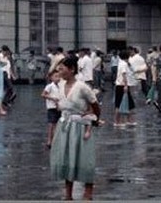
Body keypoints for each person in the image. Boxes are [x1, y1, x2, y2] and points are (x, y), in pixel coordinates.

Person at [50, 55, 101, 201]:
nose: (59, 70)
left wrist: (92, 118)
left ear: (72, 69)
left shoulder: (82, 87)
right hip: (64, 126)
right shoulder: (60, 84)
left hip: (80, 127)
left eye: (62, 67)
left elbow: (95, 106)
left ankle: (88, 191)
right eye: (59, 67)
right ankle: (68, 194)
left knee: (84, 158)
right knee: (66, 158)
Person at [113, 49, 135, 127]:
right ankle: (117, 121)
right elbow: (124, 75)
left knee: (128, 103)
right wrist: (126, 85)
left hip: (120, 85)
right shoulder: (124, 64)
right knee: (119, 104)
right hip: (122, 85)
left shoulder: (121, 63)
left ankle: (128, 120)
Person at [42, 70, 61, 149]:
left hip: (59, 107)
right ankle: (49, 140)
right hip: (51, 107)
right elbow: (43, 94)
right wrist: (52, 98)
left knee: (57, 124)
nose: (58, 78)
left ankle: (55, 140)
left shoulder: (60, 86)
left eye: (59, 76)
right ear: (51, 78)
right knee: (51, 124)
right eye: (55, 76)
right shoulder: (49, 86)